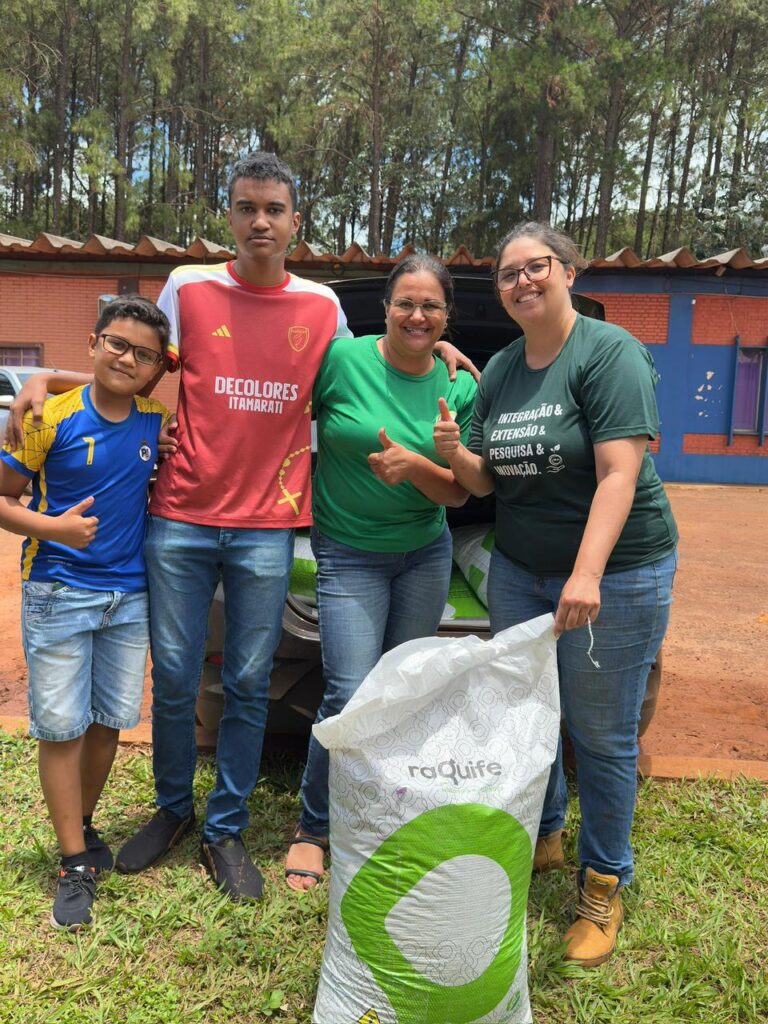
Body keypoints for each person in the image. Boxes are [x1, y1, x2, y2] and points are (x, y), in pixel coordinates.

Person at [7, 153, 474, 903]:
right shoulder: (189, 287)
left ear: (296, 221)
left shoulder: (322, 307)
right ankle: (171, 810)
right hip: (181, 519)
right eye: (246, 207)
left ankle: (225, 827)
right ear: (229, 214)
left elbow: (373, 365)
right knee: (177, 678)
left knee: (249, 683)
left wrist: (439, 347)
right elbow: (134, 363)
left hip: (266, 526)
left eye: (275, 209)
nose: (261, 221)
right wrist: (47, 377)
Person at [433, 222, 678, 967]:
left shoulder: (609, 354)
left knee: (599, 735)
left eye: (535, 267)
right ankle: (546, 833)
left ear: (568, 271)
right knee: (526, 713)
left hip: (620, 569)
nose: (521, 283)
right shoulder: (503, 369)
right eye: (509, 274)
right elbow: (485, 483)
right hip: (519, 567)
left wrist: (587, 574)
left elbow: (617, 474)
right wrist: (455, 455)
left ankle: (603, 885)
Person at [285, 255, 477, 890]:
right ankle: (315, 828)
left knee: (404, 693)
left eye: (431, 307)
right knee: (348, 691)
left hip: (424, 553)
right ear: (386, 308)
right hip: (347, 552)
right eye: (405, 303)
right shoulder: (342, 360)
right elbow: (276, 404)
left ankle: (384, 816)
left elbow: (457, 494)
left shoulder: (461, 387)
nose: (416, 316)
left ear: (447, 315)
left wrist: (414, 466)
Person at [0, 297, 170, 930]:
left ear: (156, 366)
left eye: (144, 353)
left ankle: (84, 823)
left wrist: (49, 371)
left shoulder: (155, 419)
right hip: (58, 591)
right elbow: (2, 496)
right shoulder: (49, 417)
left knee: (109, 723)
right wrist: (54, 528)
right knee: (62, 729)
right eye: (116, 344)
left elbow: (124, 381)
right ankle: (74, 860)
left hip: (130, 598)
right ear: (94, 342)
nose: (127, 358)